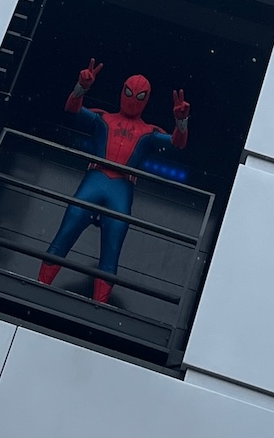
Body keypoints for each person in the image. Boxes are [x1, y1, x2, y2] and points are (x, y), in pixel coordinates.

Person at [37, 57, 190, 303]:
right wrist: (81, 87)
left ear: (146, 100)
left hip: (119, 186)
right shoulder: (104, 119)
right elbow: (73, 109)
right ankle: (40, 285)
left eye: (139, 96)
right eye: (129, 93)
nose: (132, 99)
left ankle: (99, 304)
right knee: (66, 233)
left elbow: (176, 144)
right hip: (98, 178)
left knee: (110, 249)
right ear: (122, 92)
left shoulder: (148, 132)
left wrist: (181, 122)